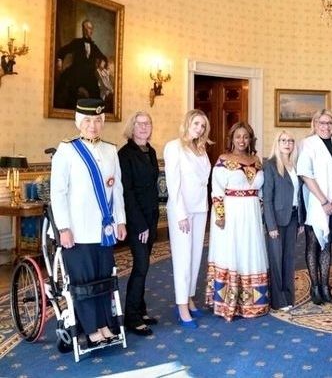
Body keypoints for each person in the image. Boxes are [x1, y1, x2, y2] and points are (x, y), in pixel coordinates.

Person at [50, 98, 127, 347]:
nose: (93, 126)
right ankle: (91, 329)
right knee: (83, 284)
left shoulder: (110, 150)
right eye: (87, 121)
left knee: (104, 280)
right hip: (77, 231)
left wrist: (121, 222)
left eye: (97, 120)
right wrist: (63, 228)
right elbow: (58, 192)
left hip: (104, 230)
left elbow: (118, 191)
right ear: (79, 122)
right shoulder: (67, 150)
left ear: (102, 121)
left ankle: (105, 325)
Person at [206, 122, 270, 319]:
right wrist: (220, 215)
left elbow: (260, 193)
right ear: (231, 139)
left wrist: (262, 216)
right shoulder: (223, 161)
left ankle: (252, 303)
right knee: (232, 253)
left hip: (252, 216)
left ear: (250, 139)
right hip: (231, 214)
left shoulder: (256, 161)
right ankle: (229, 303)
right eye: (238, 136)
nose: (242, 140)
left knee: (250, 253)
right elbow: (216, 190)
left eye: (245, 136)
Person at [164, 109, 212, 328]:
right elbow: (174, 185)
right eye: (196, 124)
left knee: (195, 257)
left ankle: (190, 298)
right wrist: (181, 214)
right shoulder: (174, 147)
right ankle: (181, 306)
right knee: (183, 258)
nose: (200, 129)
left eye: (202, 126)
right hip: (181, 210)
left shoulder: (201, 149)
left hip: (200, 207)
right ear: (187, 123)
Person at [297, 109, 332, 305]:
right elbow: (305, 174)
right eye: (322, 122)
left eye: (330, 123)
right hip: (317, 203)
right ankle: (315, 287)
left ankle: (326, 287)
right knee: (313, 245)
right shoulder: (308, 144)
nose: (326, 126)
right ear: (315, 123)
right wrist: (324, 201)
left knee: (326, 245)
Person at [118, 111, 160, 336]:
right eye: (139, 123)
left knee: (144, 266)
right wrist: (140, 224)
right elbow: (127, 192)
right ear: (132, 127)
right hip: (137, 220)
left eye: (147, 123)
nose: (144, 127)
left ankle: (141, 309)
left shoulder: (150, 151)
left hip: (151, 216)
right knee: (140, 266)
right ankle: (132, 318)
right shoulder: (125, 154)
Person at [263, 131, 304, 312]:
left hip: (294, 217)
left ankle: (288, 296)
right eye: (284, 140)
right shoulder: (270, 165)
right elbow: (267, 198)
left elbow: (299, 195)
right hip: (277, 220)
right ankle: (278, 300)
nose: (288, 143)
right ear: (277, 143)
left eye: (291, 140)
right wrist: (270, 225)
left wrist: (301, 219)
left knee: (288, 258)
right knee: (276, 260)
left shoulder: (294, 164)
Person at [55, 19, 106, 110]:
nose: (90, 30)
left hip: (89, 75)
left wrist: (103, 61)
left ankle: (96, 114)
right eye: (88, 28)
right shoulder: (77, 42)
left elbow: (103, 56)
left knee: (96, 94)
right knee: (68, 89)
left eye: (91, 28)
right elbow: (63, 50)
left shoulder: (93, 46)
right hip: (77, 72)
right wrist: (59, 60)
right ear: (84, 29)